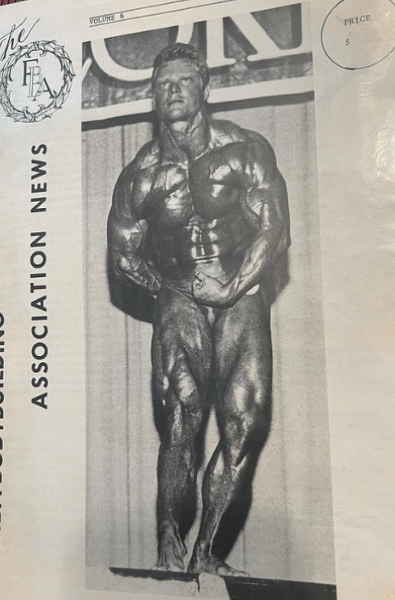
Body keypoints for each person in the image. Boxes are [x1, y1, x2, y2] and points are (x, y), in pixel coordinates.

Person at [107, 43, 290, 577]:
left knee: (245, 420)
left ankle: (206, 550)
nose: (173, 91)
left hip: (240, 290)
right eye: (163, 84)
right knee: (182, 407)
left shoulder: (245, 150)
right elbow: (122, 256)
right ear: (153, 97)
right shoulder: (140, 177)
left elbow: (275, 231)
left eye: (184, 80)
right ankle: (168, 542)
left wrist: (232, 281)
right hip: (182, 292)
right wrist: (173, 288)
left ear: (205, 88)